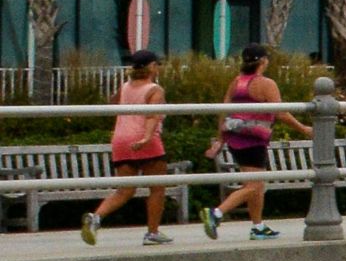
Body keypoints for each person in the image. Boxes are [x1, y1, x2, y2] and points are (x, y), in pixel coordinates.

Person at [202, 46, 302, 241]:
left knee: (256, 184)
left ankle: (258, 226)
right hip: (254, 140)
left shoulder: (236, 82)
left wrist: (220, 140)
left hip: (235, 139)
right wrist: (304, 128)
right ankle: (216, 213)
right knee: (254, 185)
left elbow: (224, 111)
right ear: (263, 61)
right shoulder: (266, 84)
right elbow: (281, 113)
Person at [83, 62, 178, 246]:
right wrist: (147, 137)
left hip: (121, 141)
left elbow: (112, 103)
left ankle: (96, 218)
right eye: (156, 64)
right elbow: (152, 116)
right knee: (157, 188)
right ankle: (152, 233)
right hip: (145, 140)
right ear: (151, 68)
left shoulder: (125, 87)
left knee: (124, 190)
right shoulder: (155, 89)